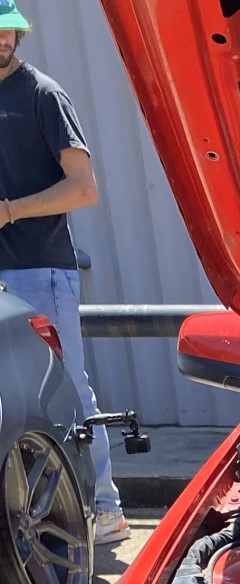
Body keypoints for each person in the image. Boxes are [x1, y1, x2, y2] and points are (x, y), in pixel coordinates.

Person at [0, 5, 126, 543]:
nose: (2, 39)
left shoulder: (42, 95)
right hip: (5, 277)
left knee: (68, 391)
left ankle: (106, 509)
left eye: (7, 30)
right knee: (13, 401)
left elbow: (84, 189)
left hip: (40, 271)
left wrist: (7, 211)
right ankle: (44, 517)